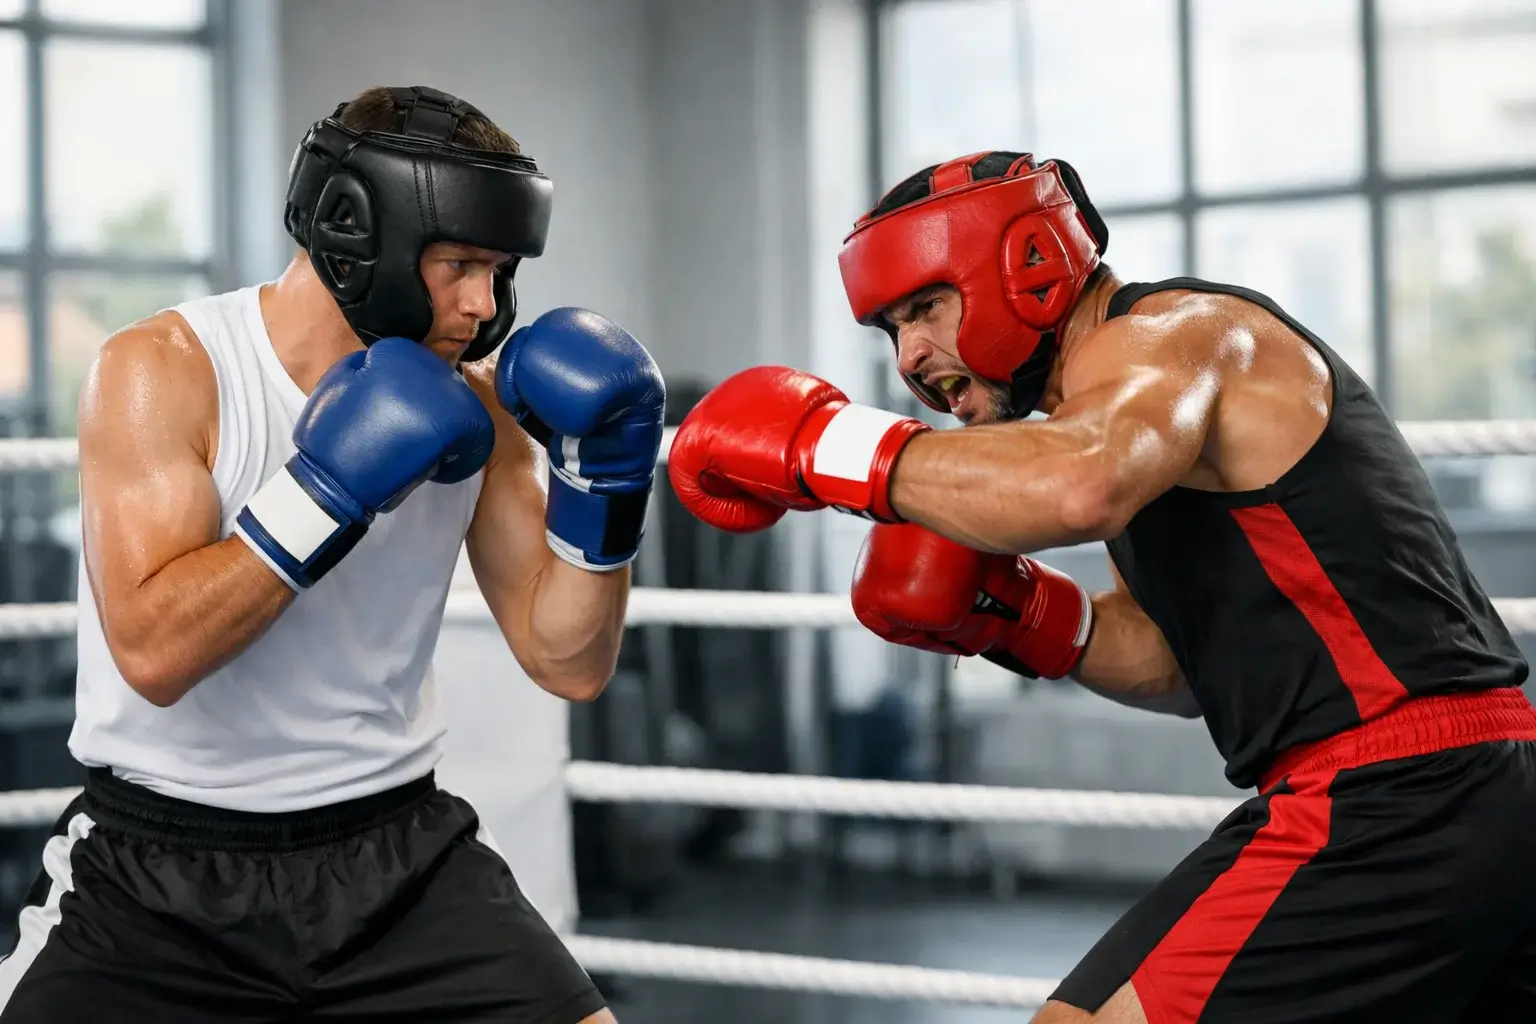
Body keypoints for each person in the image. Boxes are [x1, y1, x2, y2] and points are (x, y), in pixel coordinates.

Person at [666, 150, 1536, 1022]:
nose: (911, 358)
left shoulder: (1174, 337)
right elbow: (1177, 667)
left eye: (926, 309)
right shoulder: (1118, 421)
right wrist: (1020, 616)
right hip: (1405, 788)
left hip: (1402, 789)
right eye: (891, 331)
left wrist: (828, 446)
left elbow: (1083, 483)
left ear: (1026, 266)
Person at [0, 86, 663, 1024]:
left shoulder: (474, 411)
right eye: (462, 263)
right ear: (357, 232)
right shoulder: (164, 371)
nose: (485, 303)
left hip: (397, 861)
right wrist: (328, 489)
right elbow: (153, 653)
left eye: (500, 269)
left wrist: (609, 493)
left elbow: (571, 662)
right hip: (160, 880)